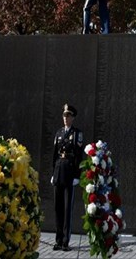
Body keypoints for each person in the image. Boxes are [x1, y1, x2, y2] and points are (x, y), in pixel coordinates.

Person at [51, 104, 84, 251]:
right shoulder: (58, 133)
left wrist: (77, 175)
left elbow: (78, 155)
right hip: (59, 171)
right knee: (58, 208)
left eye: (68, 116)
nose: (65, 118)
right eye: (64, 115)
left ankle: (65, 241)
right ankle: (58, 240)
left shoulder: (77, 134)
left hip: (70, 173)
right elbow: (54, 155)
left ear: (73, 118)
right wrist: (53, 173)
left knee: (67, 208)